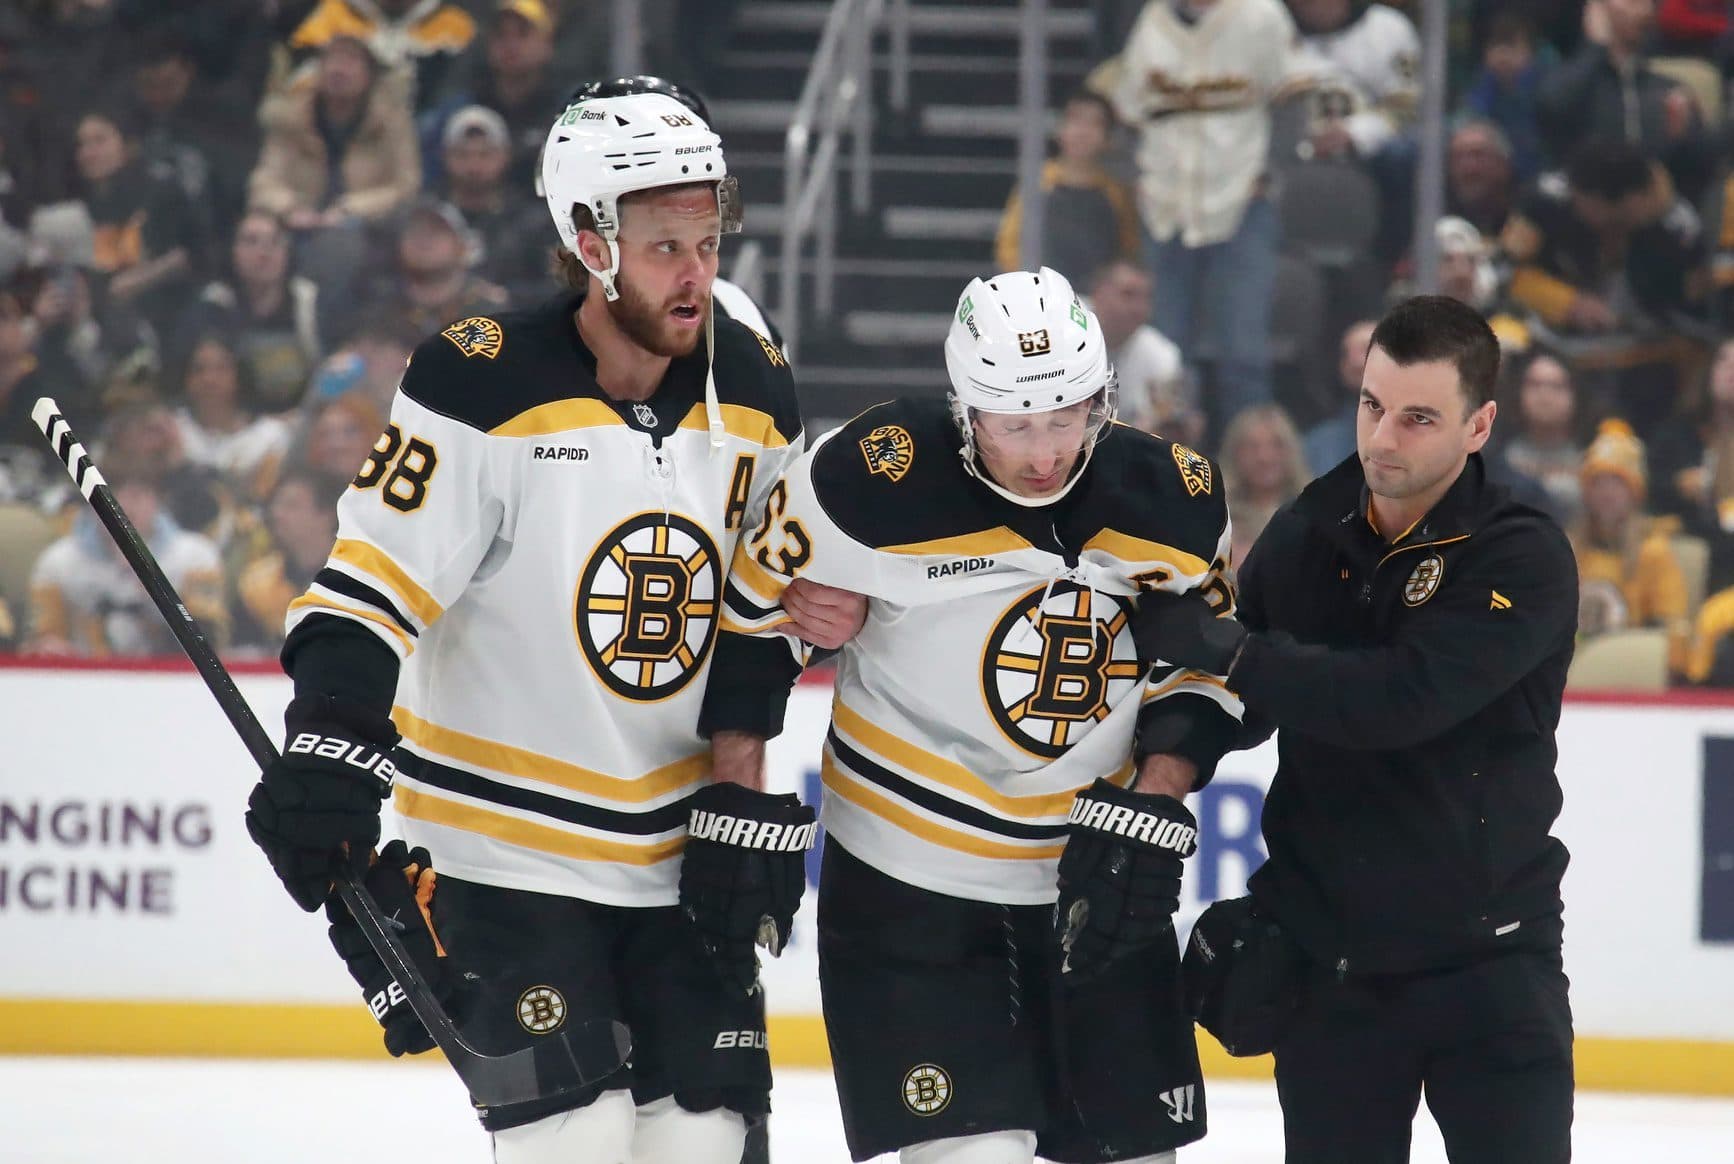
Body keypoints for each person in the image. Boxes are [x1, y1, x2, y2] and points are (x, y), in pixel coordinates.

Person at [240, 90, 864, 1162]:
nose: (695, 274)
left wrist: (803, 652)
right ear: (589, 242)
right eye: (665, 246)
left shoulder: (754, 378)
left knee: (706, 1149)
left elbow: (761, 613)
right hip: (505, 858)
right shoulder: (479, 379)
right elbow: (368, 584)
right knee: (578, 1145)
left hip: (680, 860)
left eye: (709, 242)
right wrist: (331, 744)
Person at [702, 267, 1244, 1164]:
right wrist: (740, 782)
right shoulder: (862, 479)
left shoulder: (1176, 498)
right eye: (1015, 423)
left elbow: (1210, 672)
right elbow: (749, 623)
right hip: (908, 879)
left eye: (1068, 416)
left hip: (1090, 882)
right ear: (964, 409)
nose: (1045, 452)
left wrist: (1153, 800)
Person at [1136, 295, 1578, 1163]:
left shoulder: (1521, 555)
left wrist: (1233, 653)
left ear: (1480, 424)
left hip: (1491, 966)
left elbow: (1400, 701)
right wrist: (1158, 786)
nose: (1382, 439)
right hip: (1330, 970)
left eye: (1419, 418)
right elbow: (1232, 700)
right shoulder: (1307, 532)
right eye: (1374, 405)